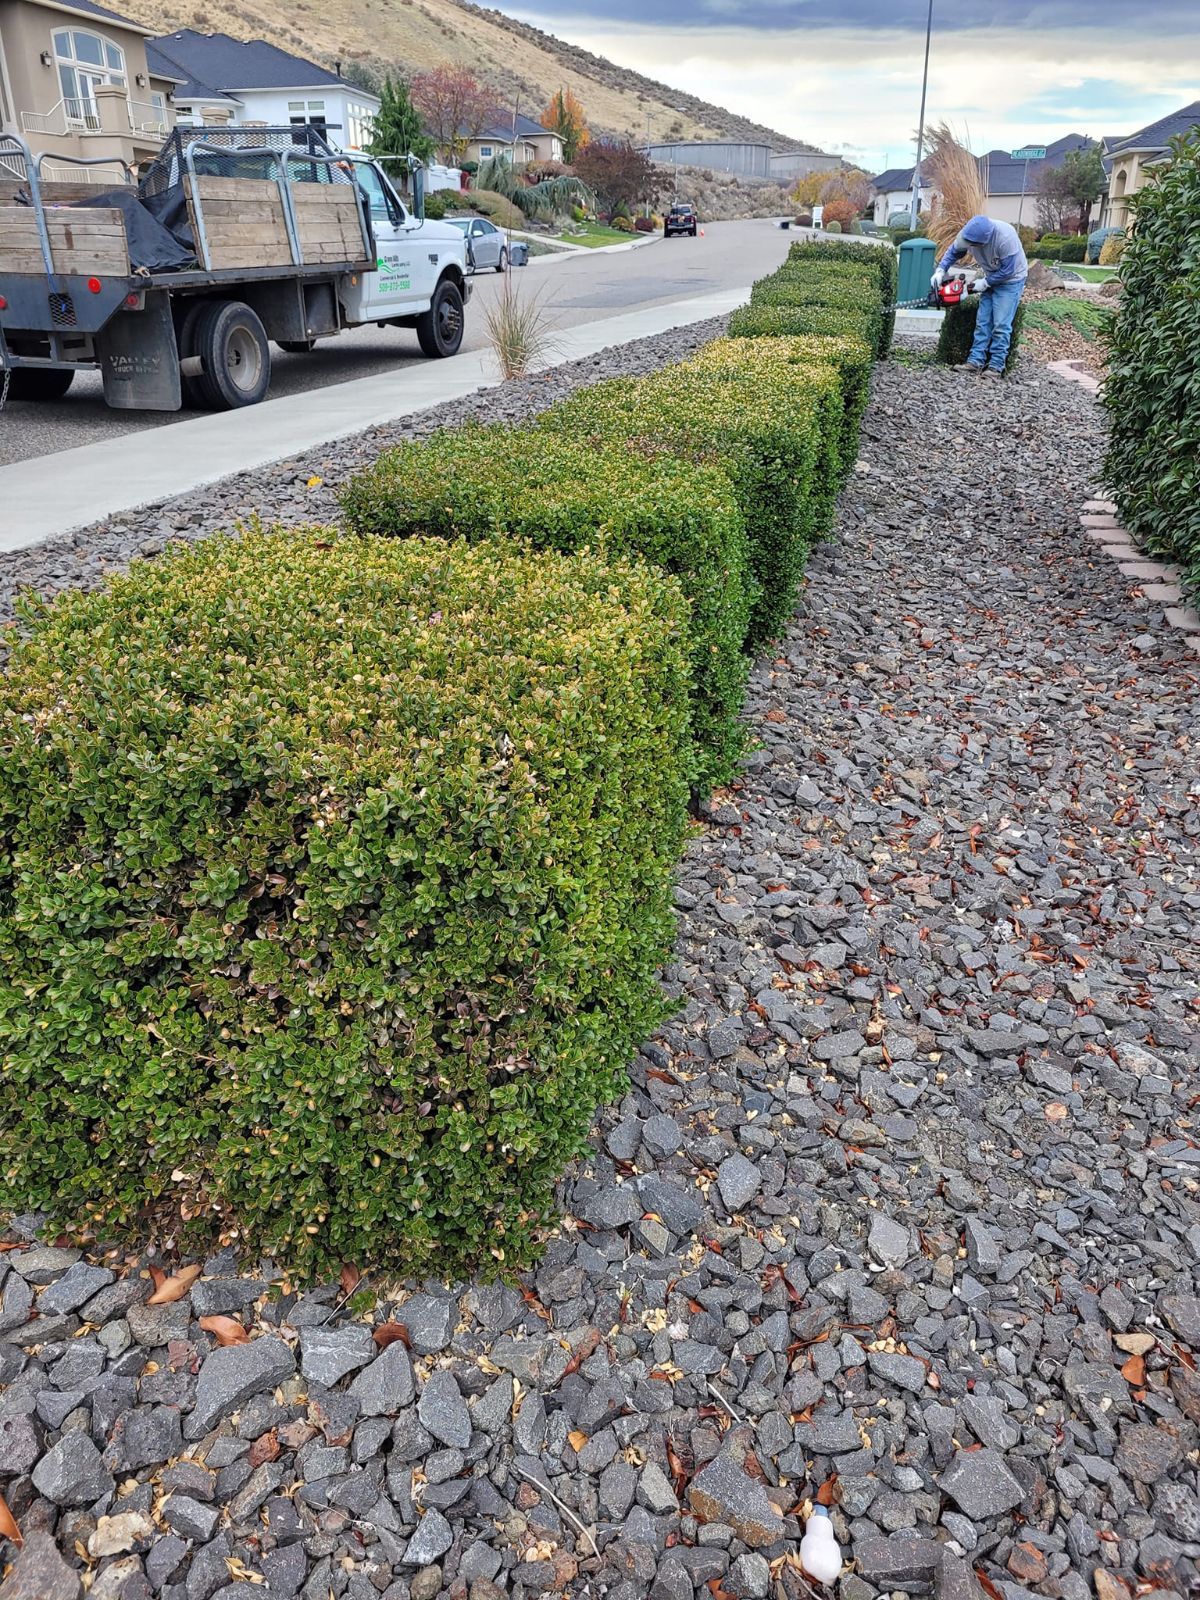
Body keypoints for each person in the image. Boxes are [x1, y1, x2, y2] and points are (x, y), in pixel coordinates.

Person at [932, 215, 1028, 378]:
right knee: (983, 321)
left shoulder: (1006, 237)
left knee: (1000, 324)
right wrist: (940, 270)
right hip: (990, 274)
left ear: (982, 242)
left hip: (1011, 280)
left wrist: (984, 283)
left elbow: (1008, 270)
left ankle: (996, 367)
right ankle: (975, 362)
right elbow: (954, 252)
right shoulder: (969, 235)